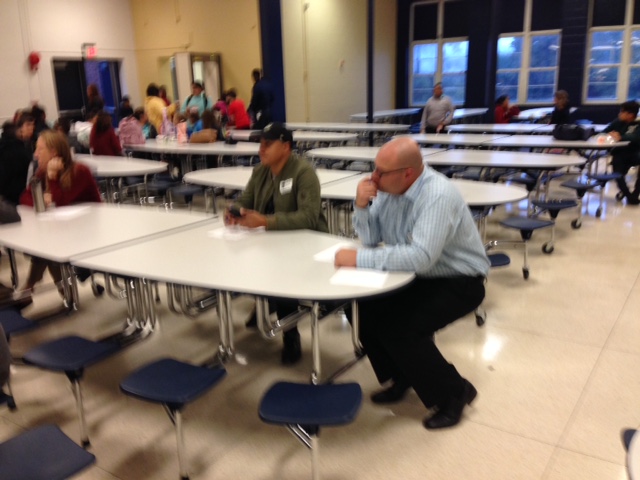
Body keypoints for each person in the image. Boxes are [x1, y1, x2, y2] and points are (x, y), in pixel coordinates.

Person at [334, 137, 490, 430]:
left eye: (381, 171)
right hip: (418, 275)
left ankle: (455, 393)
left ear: (407, 173)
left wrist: (357, 259)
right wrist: (362, 205)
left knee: (402, 327)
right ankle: (403, 375)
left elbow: (420, 257)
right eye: (374, 169)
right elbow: (370, 240)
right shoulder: (392, 189)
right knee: (360, 306)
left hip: (459, 278)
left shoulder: (436, 195)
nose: (373, 177)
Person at [225, 122, 328, 364]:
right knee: (239, 258)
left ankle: (290, 334)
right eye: (260, 144)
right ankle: (265, 302)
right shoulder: (261, 172)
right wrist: (234, 211)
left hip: (306, 243)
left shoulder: (304, 173)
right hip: (269, 241)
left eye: (268, 144)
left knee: (283, 273)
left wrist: (265, 222)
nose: (262, 149)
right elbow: (245, 199)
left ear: (286, 147)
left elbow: (309, 217)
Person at [19, 130, 102, 295]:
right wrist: (40, 201)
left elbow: (60, 205)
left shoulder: (79, 172)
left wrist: (52, 178)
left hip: (88, 231)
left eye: (39, 149)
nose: (35, 154)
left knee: (47, 245)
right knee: (45, 243)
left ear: (53, 152)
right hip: (65, 228)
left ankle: (34, 290)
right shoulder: (42, 172)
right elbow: (25, 198)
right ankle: (50, 290)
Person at [604, 100, 640, 205]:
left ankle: (635, 193)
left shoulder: (638, 124)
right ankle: (628, 195)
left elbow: (636, 138)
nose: (619, 114)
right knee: (618, 173)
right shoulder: (618, 122)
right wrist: (611, 134)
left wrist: (621, 137)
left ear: (630, 115)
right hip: (619, 152)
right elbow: (605, 132)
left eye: (622, 112)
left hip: (635, 152)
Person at [0, 122, 30, 205]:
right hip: (20, 193)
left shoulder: (2, 148)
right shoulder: (20, 150)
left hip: (4, 194)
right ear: (16, 133)